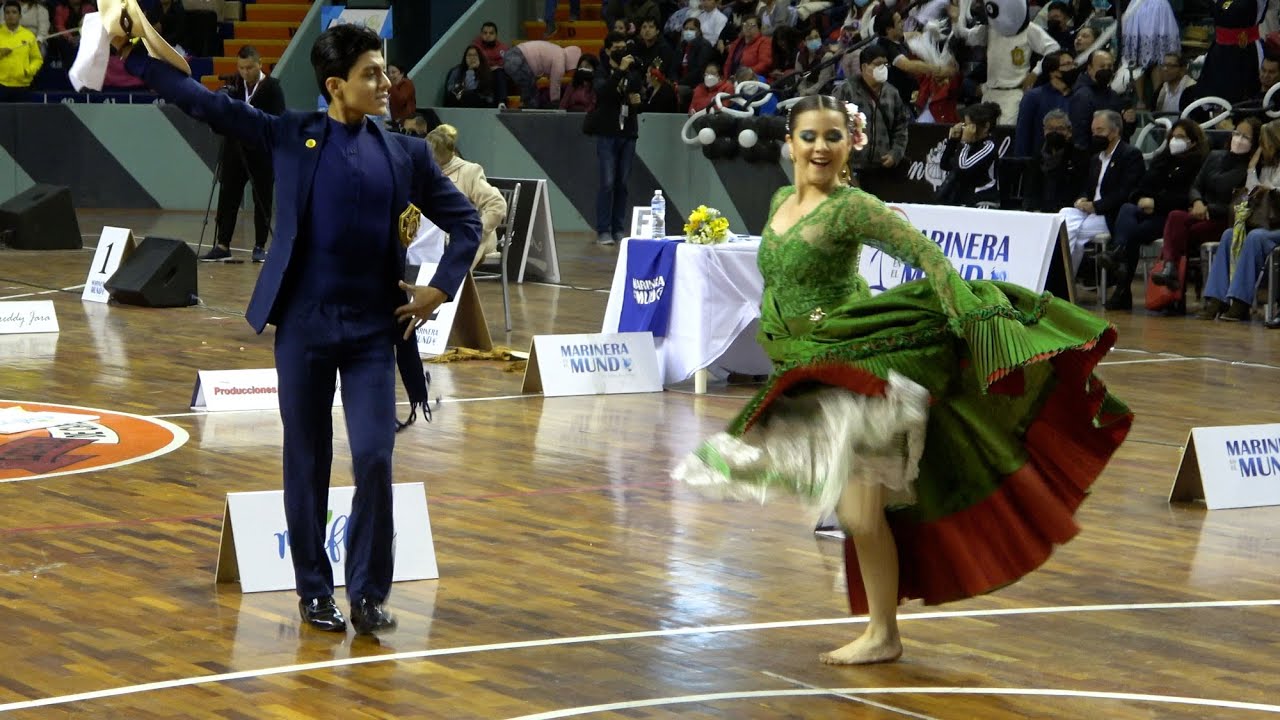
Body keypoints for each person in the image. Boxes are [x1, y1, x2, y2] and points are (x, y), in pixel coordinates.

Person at [673, 94, 1131, 666]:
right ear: (788, 143)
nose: (820, 147)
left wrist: (969, 317)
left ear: (850, 145)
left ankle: (882, 633)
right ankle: (882, 631)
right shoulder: (778, 201)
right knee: (859, 514)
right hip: (806, 368)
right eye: (809, 136)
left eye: (833, 137)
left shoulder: (853, 208)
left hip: (861, 366)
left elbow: (931, 258)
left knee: (862, 514)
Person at [114, 19, 481, 635]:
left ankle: (366, 593)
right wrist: (136, 58)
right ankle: (315, 591)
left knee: (374, 458)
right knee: (306, 459)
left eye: (384, 69)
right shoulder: (290, 135)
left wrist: (439, 288)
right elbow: (205, 105)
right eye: (371, 73)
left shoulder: (406, 152)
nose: (386, 81)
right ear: (337, 86)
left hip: (373, 331)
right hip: (305, 327)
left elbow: (467, 223)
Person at [1152, 119, 1271, 305]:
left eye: (1245, 137)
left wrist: (1209, 209)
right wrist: (1198, 201)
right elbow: (1196, 185)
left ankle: (1175, 285)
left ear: (1255, 142)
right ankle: (1171, 268)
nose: (1238, 139)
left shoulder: (1251, 170)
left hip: (1222, 218)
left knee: (1181, 233)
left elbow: (1242, 204)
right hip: (1199, 212)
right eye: (1236, 133)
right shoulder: (1215, 156)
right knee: (1175, 216)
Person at [1099, 118, 1212, 310]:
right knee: (1127, 209)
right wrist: (1142, 200)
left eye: (1181, 137)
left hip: (1172, 218)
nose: (1175, 141)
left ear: (1193, 141)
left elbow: (1187, 197)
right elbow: (1140, 187)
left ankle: (1121, 281)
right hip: (1148, 211)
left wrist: (1156, 203)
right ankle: (1118, 254)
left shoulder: (1199, 164)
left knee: (1131, 235)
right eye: (1173, 136)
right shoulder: (1163, 159)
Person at [203, 46, 285, 263]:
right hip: (234, 149)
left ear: (260, 64)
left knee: (262, 199)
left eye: (249, 67)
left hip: (261, 152)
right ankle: (222, 244)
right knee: (228, 195)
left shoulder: (272, 88)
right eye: (241, 68)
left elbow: (277, 120)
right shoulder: (235, 85)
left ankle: (259, 246)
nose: (245, 72)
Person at [1058, 109, 1146, 274]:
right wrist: (1082, 199)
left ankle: (1062, 280)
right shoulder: (1096, 158)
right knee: (1064, 215)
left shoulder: (1130, 155)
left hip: (1110, 213)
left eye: (1100, 130)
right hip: (1089, 211)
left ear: (1115, 131)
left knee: (1068, 232)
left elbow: (1126, 192)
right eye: (1093, 131)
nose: (1095, 135)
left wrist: (1096, 206)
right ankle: (1066, 280)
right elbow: (1088, 187)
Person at [584, 31, 643, 245]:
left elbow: (639, 98)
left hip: (628, 132)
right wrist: (620, 71)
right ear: (607, 50)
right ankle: (603, 230)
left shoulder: (632, 72)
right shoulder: (600, 72)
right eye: (616, 49)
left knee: (622, 183)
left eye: (623, 48)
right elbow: (605, 93)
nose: (621, 52)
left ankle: (618, 228)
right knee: (607, 182)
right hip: (607, 133)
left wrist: (638, 101)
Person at [424, 124, 508, 269]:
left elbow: (497, 204)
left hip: (464, 235)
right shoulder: (423, 170)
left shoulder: (469, 171)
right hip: (429, 236)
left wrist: (475, 230)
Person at [833, 44, 909, 197]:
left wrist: (896, 153)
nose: (883, 68)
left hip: (881, 169)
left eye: (885, 64)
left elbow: (901, 126)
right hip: (851, 167)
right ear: (864, 66)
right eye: (878, 64)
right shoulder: (846, 90)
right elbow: (832, 125)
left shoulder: (892, 93)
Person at [937, 101, 1001, 208]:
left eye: (968, 125)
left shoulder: (989, 146)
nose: (965, 129)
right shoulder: (970, 144)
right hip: (965, 200)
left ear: (986, 126)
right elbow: (945, 165)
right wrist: (953, 141)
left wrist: (964, 143)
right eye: (964, 125)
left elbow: (963, 167)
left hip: (983, 201)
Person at [1023, 109, 1086, 212]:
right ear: (1044, 130)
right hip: (1039, 211)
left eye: (1060, 129)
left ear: (1069, 131)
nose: (1054, 132)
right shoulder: (1037, 157)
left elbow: (1081, 189)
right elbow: (1030, 191)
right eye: (1050, 128)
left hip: (1067, 211)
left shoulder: (1079, 156)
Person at [1015, 50, 1075, 158]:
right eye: (1067, 65)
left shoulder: (1079, 95)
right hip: (1039, 162)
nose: (1072, 68)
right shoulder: (1033, 97)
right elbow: (1023, 135)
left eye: (1073, 63)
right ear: (1053, 72)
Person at [0, 0, 40, 101]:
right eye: (7, 12)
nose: (10, 15)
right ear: (4, 16)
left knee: (21, 117)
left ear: (20, 15)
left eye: (14, 12)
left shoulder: (29, 35)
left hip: (22, 85)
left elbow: (37, 59)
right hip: (1, 85)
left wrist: (29, 71)